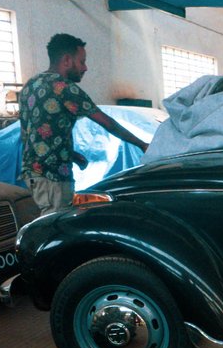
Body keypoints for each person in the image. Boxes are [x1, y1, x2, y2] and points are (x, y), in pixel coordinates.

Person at [18, 33, 149, 214]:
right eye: (82, 61)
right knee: (55, 226)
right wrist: (141, 144)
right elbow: (108, 123)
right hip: (52, 176)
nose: (85, 68)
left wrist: (70, 154)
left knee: (47, 222)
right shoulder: (64, 87)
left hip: (33, 173)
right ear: (66, 60)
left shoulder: (30, 85)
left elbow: (28, 132)